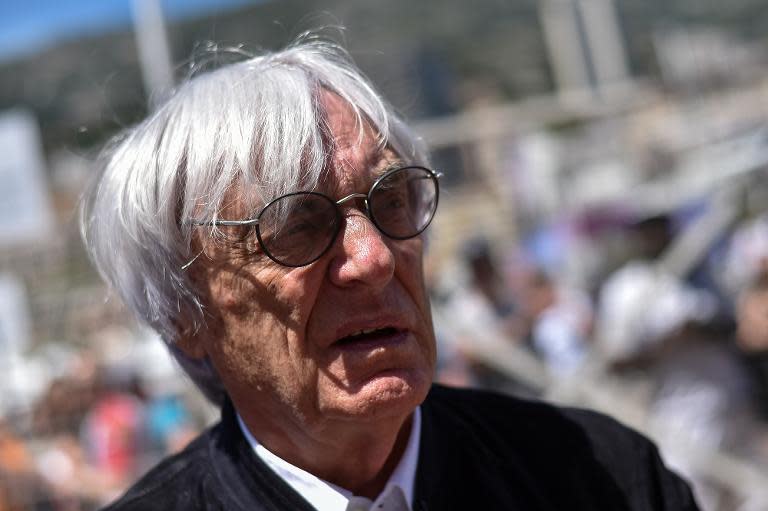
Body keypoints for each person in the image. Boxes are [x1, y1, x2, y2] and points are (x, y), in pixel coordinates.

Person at [81, 39, 700, 510]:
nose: (375, 258)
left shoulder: (600, 475)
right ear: (185, 312)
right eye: (297, 224)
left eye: (393, 199)